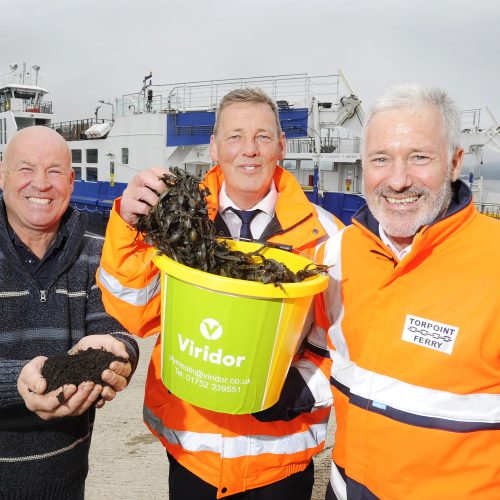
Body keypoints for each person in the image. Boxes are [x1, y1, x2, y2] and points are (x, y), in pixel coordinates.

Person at [97, 88, 343, 498]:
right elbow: (135, 313)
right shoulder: (174, 218)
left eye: (263, 136)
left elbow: (347, 346)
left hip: (279, 461)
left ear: (281, 146)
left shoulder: (327, 237)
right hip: (193, 454)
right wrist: (127, 225)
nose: (249, 150)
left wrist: (301, 389)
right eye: (234, 137)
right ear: (213, 147)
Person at [323, 84, 500, 499]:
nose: (398, 181)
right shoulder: (337, 254)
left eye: (419, 157)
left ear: (455, 162)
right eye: (381, 159)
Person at [0, 126, 139, 499]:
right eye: (25, 169)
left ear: (72, 180)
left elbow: (118, 329)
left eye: (55, 171)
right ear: (2, 174)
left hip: (66, 483)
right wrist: (17, 381)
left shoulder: (98, 253)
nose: (41, 184)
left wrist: (120, 352)